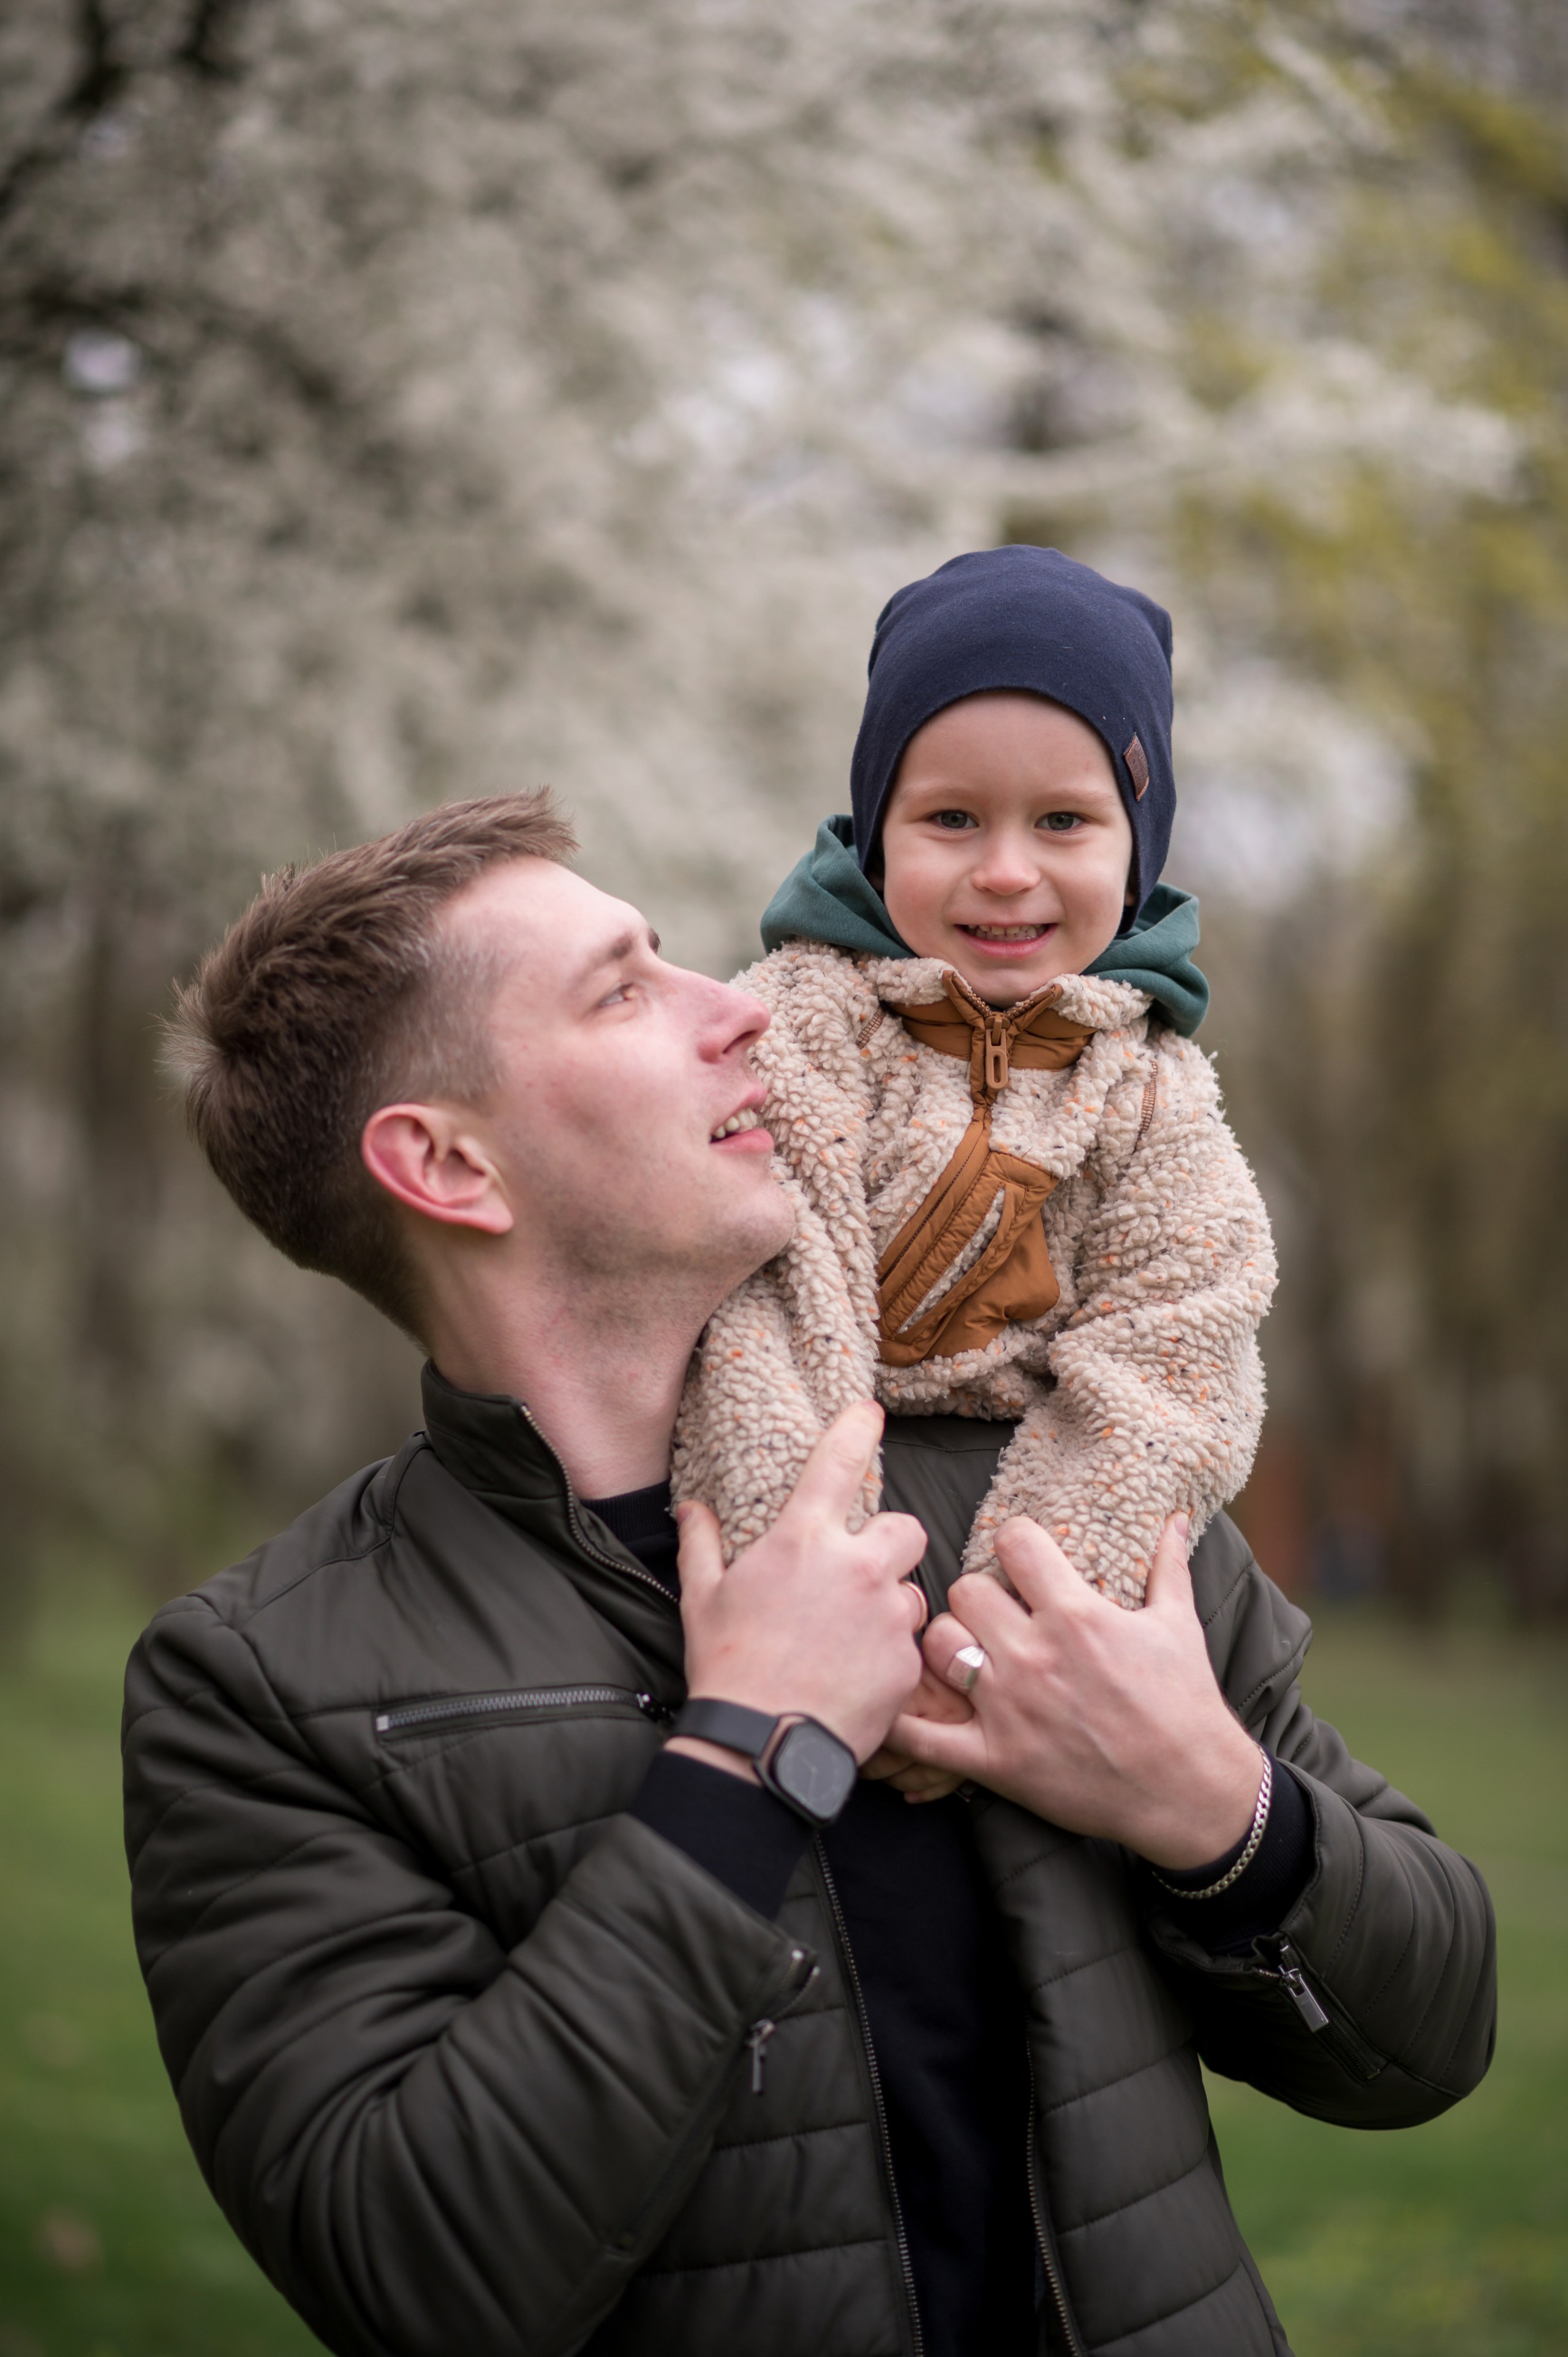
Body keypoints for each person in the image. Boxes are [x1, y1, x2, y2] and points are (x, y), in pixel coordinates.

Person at [124, 793, 1496, 2357]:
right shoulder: (262, 1687)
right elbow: (420, 2276)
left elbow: (1428, 2041)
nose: (747, 1001)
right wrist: (744, 1751)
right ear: (446, 1163)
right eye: (627, 988)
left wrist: (1212, 1811)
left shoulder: (1055, 1495)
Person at [677, 545, 1273, 1623]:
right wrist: (819, 1604)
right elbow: (765, 1307)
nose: (1005, 870)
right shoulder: (806, 1024)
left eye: (1062, 822)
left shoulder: (1152, 1090)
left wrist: (1009, 1636)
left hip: (1034, 1547)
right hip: (814, 1538)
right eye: (952, 819)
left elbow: (1172, 1356)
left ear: (1137, 849)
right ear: (879, 835)